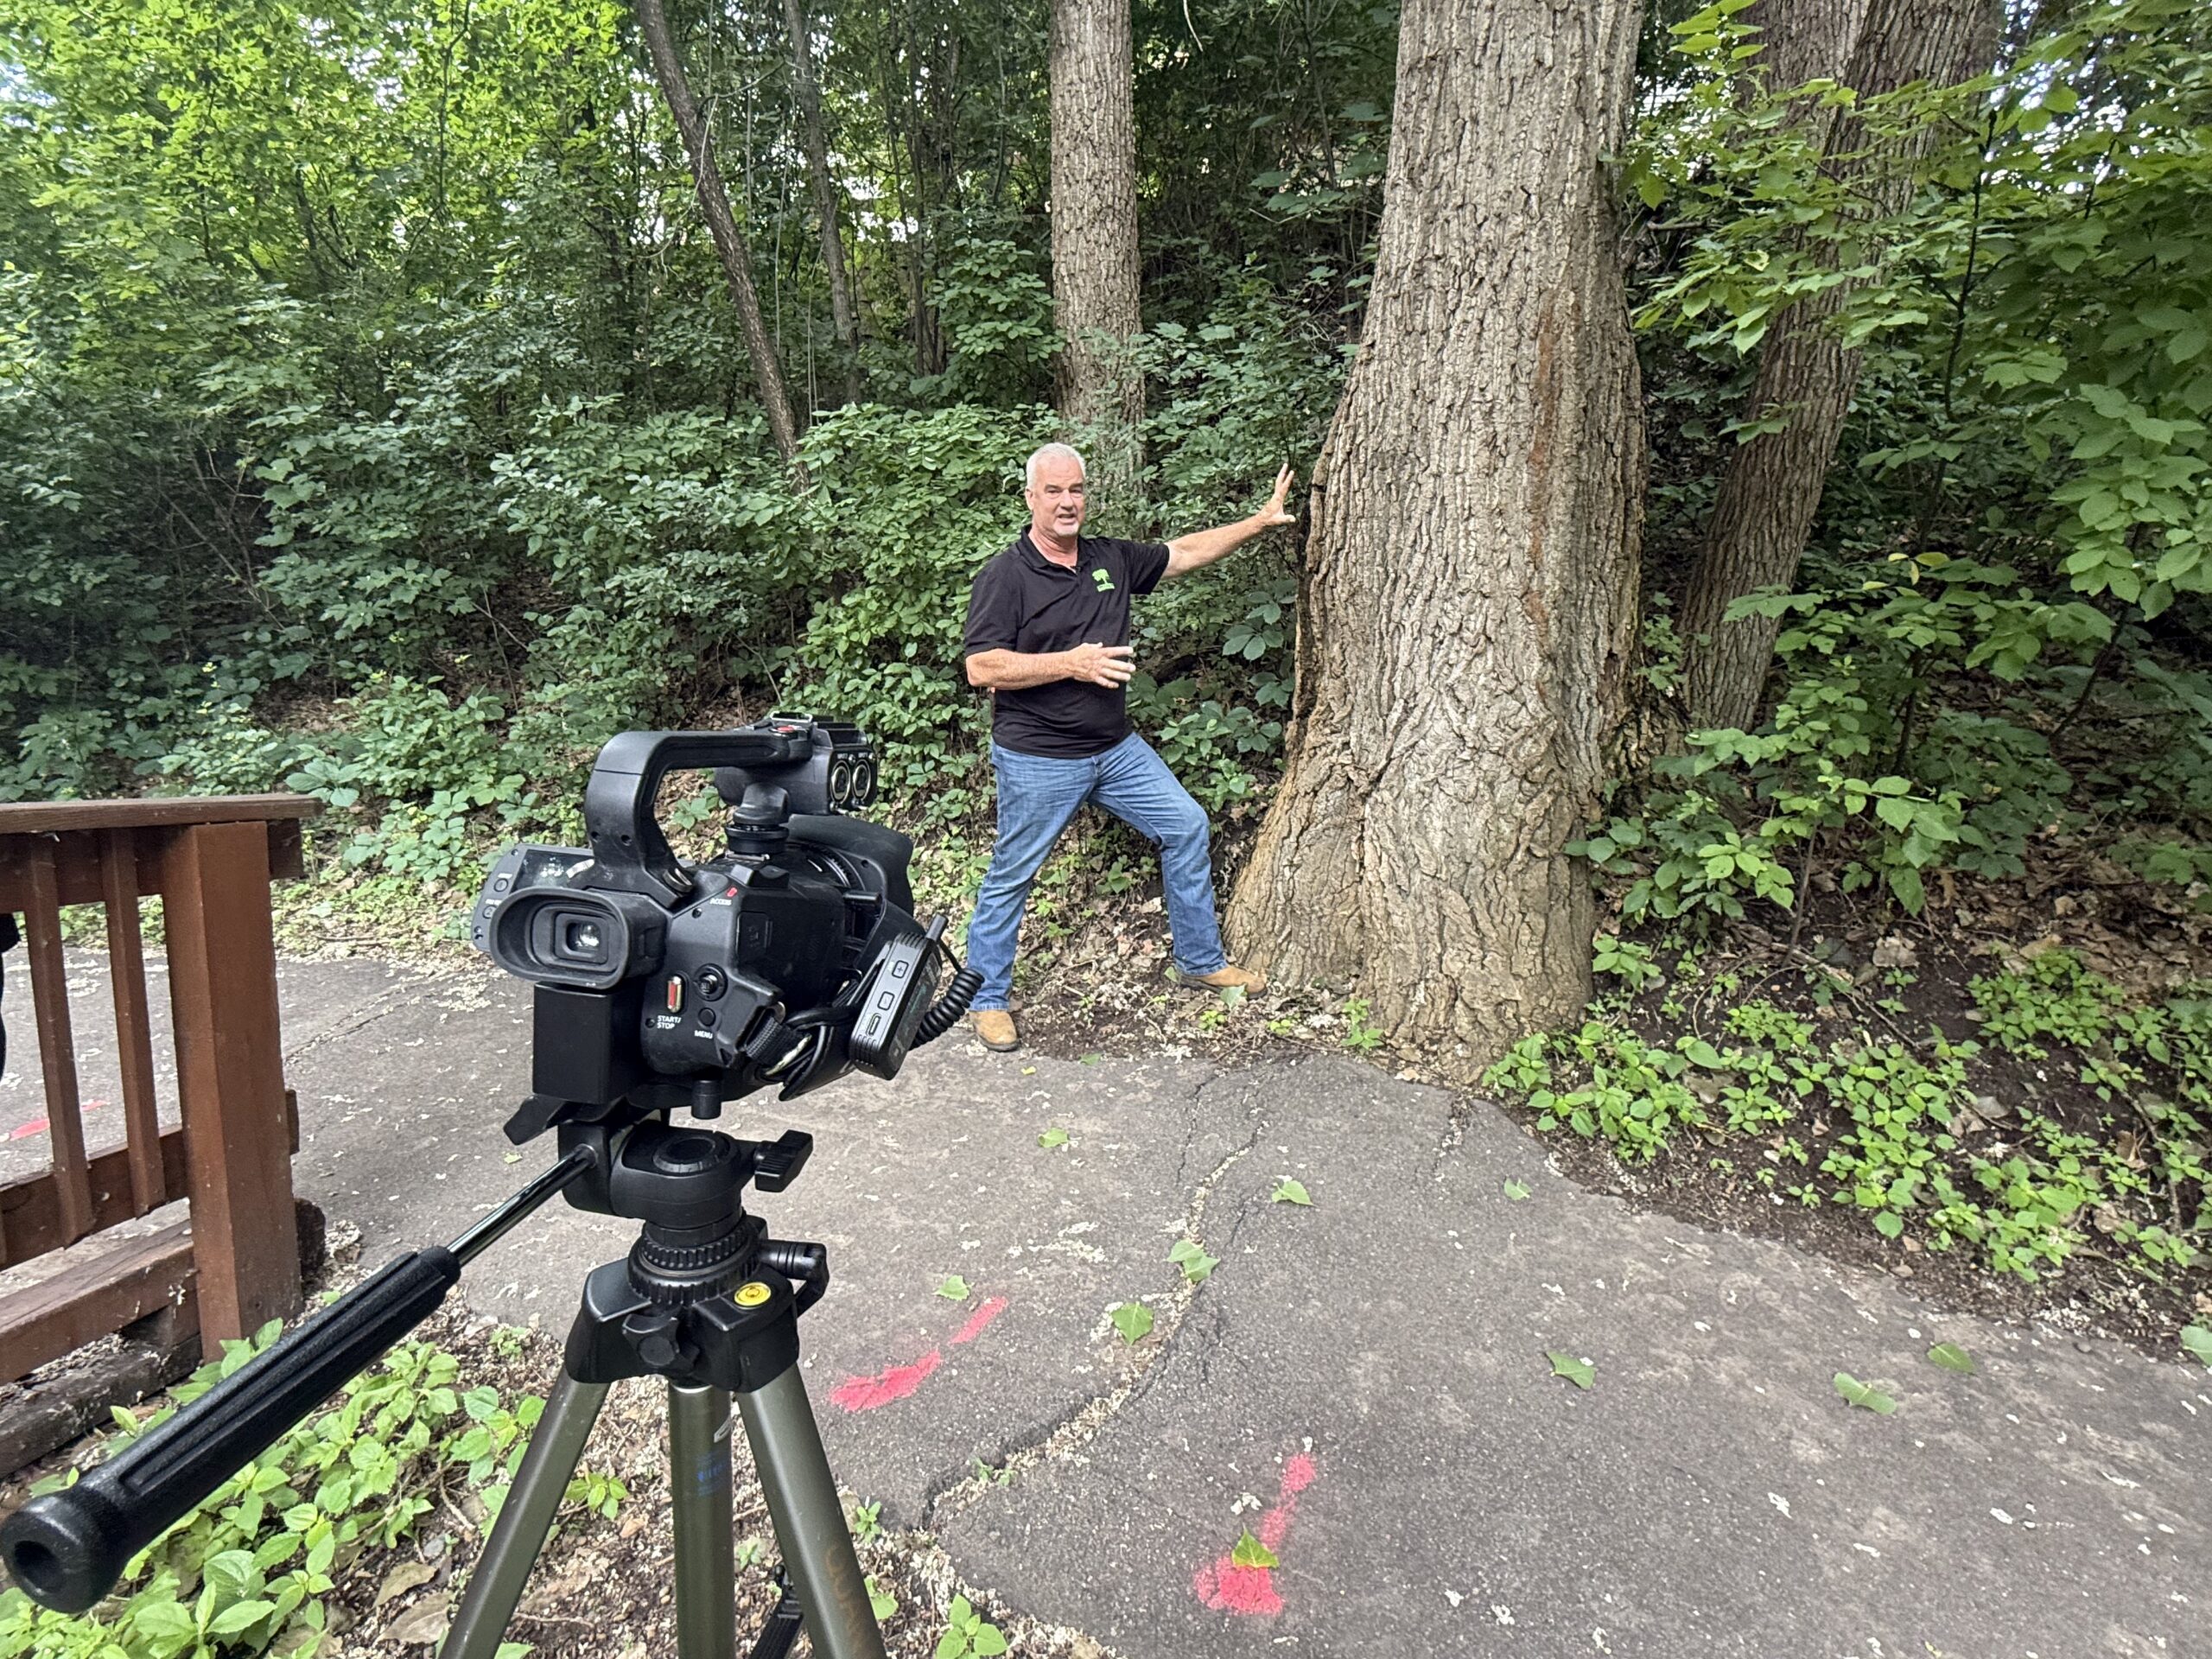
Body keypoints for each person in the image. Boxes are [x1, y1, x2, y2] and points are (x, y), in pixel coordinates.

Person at [960, 442, 1298, 1052]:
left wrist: (1257, 520)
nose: (1068, 503)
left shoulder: (1109, 557)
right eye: (1054, 491)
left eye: (1076, 490)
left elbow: (1185, 552)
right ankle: (986, 996)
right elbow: (982, 668)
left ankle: (1200, 961)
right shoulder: (1005, 576)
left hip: (1115, 751)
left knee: (1186, 824)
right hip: (1039, 757)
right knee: (1013, 874)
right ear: (1031, 497)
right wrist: (1073, 664)